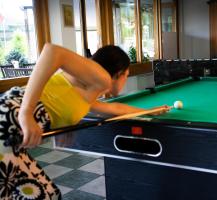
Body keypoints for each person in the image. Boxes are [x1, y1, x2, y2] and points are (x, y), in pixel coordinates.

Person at [0, 43, 170, 199]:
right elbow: (52, 51)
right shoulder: (102, 78)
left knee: (45, 194)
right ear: (119, 72)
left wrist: (151, 111)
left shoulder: (90, 91)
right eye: (127, 74)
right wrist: (26, 113)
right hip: (8, 118)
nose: (126, 79)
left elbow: (116, 109)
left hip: (11, 130)